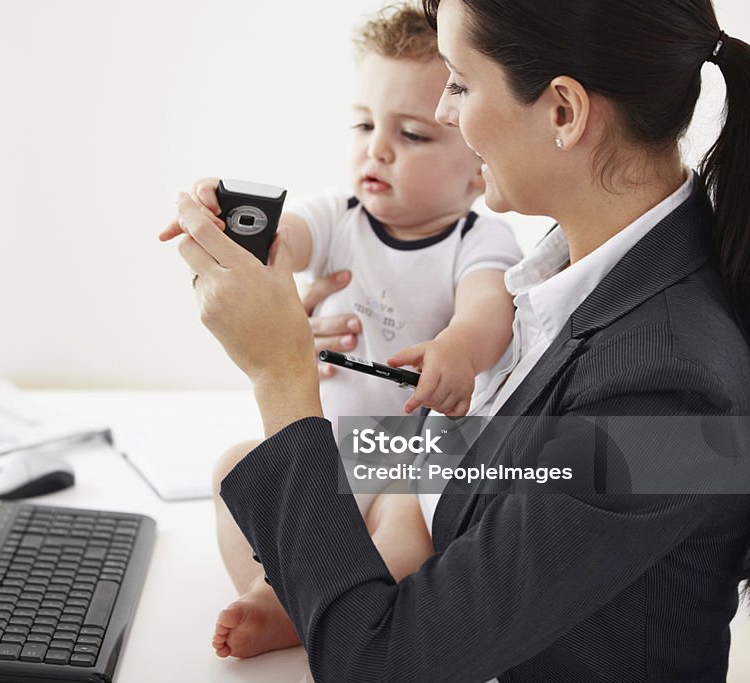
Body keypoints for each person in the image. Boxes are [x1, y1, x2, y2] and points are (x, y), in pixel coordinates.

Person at [166, 0, 750, 679]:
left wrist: (280, 375)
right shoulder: (590, 282)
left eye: (461, 83)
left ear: (564, 111)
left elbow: (377, 661)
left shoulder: (669, 393)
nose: (445, 112)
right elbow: (499, 470)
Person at [160, 4, 521, 659]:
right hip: (325, 452)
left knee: (410, 527)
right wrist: (234, 219)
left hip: (403, 466)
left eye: (412, 135)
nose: (376, 148)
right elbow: (285, 241)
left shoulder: (478, 237)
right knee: (232, 470)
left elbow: (489, 309)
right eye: (364, 124)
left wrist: (457, 348)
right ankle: (277, 596)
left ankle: (329, 608)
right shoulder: (340, 215)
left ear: (478, 169)